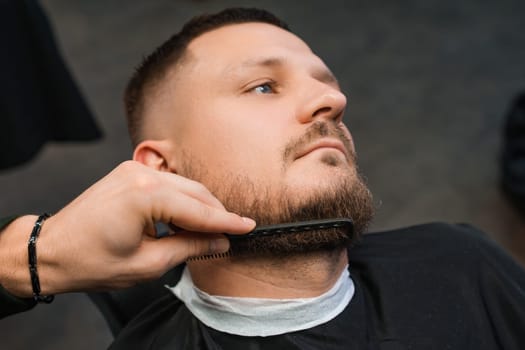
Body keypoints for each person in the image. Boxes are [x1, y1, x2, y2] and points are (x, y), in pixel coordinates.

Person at [1, 7, 525, 349]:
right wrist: (31, 258)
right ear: (161, 169)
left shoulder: (463, 261)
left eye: (327, 85)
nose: (333, 101)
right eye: (263, 87)